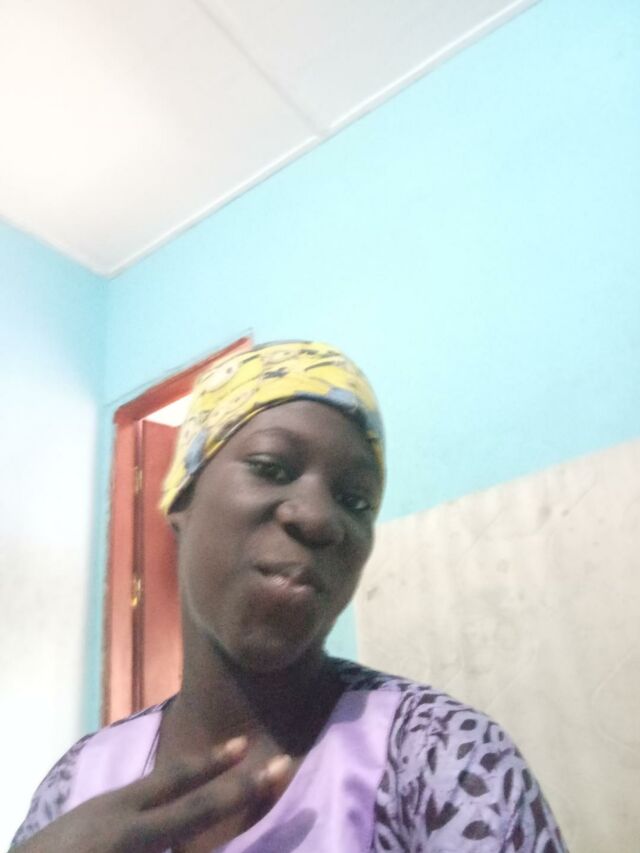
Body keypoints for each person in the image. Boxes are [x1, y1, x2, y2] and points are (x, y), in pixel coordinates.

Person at [11, 341, 567, 852]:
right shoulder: (76, 785)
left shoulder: (445, 757)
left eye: (356, 500)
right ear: (183, 498)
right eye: (271, 467)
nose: (320, 518)